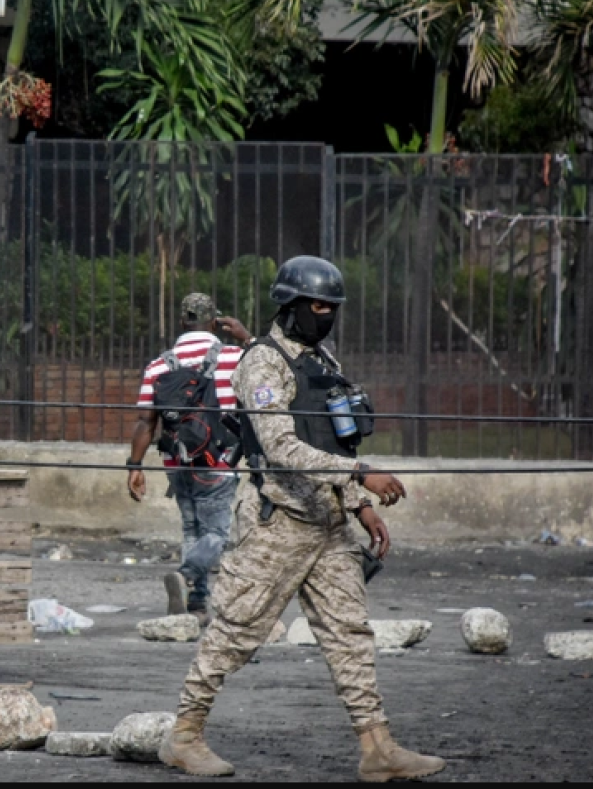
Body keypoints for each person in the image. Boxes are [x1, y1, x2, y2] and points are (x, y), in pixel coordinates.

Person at [158, 256, 445, 782]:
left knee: (348, 633)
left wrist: (359, 504)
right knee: (235, 632)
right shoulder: (263, 364)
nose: (326, 315)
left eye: (333, 308)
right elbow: (282, 447)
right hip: (278, 523)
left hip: (329, 525)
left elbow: (333, 436)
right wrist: (362, 472)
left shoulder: (322, 361)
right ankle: (184, 737)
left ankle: (377, 746)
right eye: (318, 306)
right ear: (290, 306)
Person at [127, 294, 252, 625]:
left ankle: (195, 606)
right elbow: (273, 368)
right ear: (215, 322)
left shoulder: (159, 365)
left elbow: (145, 422)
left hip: (177, 463)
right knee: (218, 534)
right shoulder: (235, 357)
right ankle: (186, 575)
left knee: (192, 531)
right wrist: (247, 337)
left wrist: (135, 467)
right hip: (218, 462)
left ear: (182, 323)